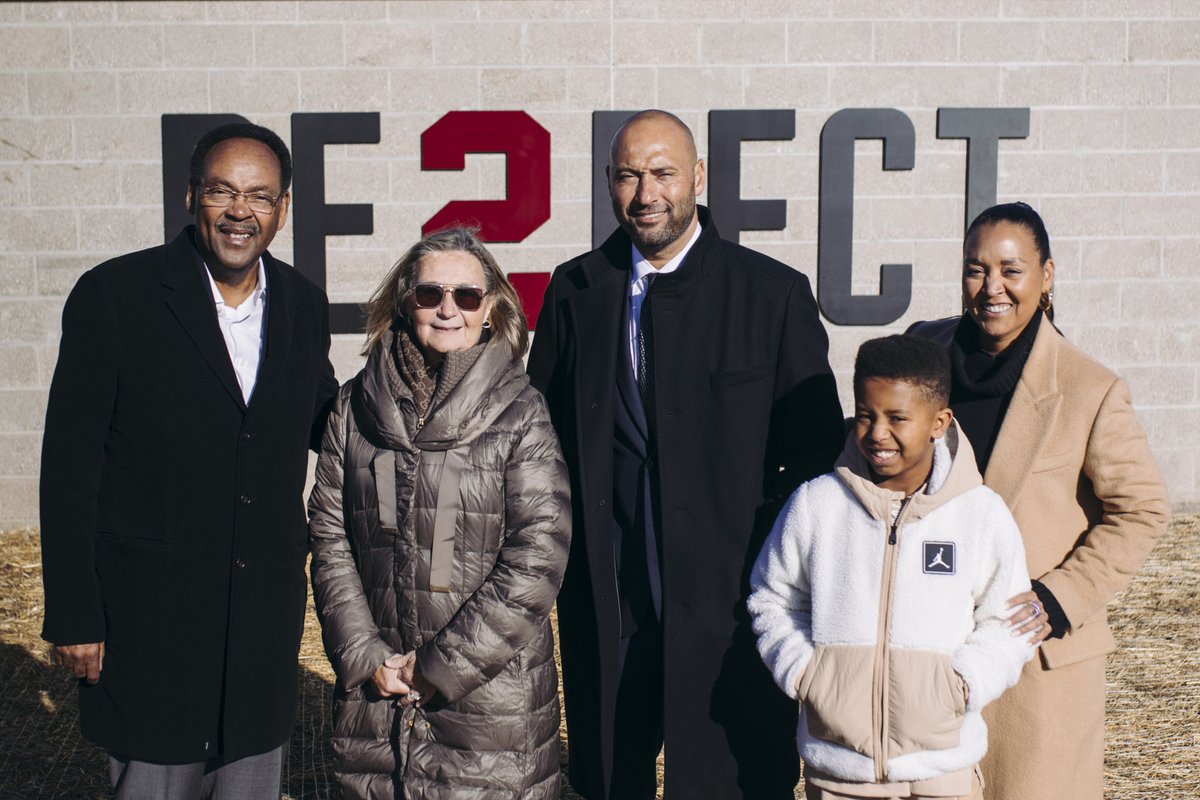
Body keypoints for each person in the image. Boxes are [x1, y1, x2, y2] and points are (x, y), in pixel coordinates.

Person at [527, 109, 844, 799]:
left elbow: (818, 453)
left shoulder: (771, 294)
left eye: (664, 173)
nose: (647, 193)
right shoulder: (574, 292)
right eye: (628, 175)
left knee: (731, 781)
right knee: (611, 778)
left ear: (698, 177)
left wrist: (771, 563)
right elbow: (538, 439)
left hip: (730, 603)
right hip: (610, 600)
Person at [39, 122, 338, 797]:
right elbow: (68, 470)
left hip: (258, 628)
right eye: (222, 192)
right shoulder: (115, 298)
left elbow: (324, 416)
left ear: (283, 208)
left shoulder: (300, 304)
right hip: (151, 627)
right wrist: (76, 616)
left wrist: (425, 396)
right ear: (189, 197)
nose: (241, 212)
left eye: (260, 196)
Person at [907, 201, 1170, 800]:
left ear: (1046, 275)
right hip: (932, 651)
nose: (991, 287)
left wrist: (1060, 595)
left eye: (1011, 269)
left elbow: (1144, 508)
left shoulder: (1089, 388)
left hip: (1036, 668)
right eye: (976, 269)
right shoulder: (924, 350)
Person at [307, 227, 571, 799]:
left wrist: (437, 667)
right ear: (405, 301)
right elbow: (330, 538)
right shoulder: (354, 408)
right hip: (379, 701)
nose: (448, 308)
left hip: (490, 708)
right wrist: (365, 655)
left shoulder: (521, 412)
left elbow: (538, 553)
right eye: (430, 294)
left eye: (467, 296)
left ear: (491, 309)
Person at [748, 334, 1036, 800]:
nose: (877, 433)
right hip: (840, 774)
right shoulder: (817, 504)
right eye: (866, 414)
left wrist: (963, 684)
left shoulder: (979, 514)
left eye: (897, 418)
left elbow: (1010, 620)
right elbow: (771, 598)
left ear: (939, 422)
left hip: (943, 772)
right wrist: (806, 673)